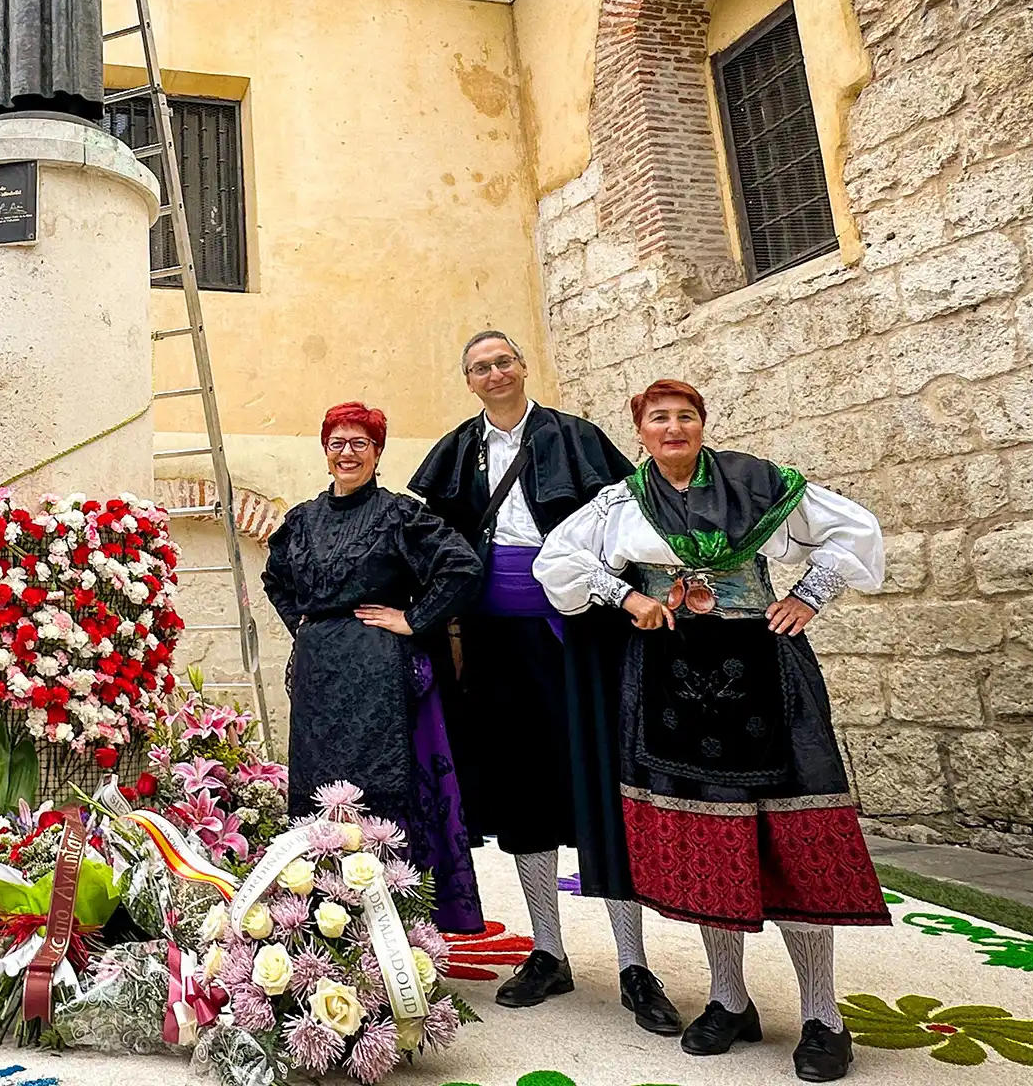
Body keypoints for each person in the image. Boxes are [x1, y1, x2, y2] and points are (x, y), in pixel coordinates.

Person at [534, 379, 888, 1083]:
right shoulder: (621, 501)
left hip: (766, 674)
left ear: (703, 424)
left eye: (685, 417)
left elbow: (856, 528)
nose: (673, 428)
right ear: (639, 430)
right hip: (671, 685)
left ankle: (824, 1018)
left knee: (795, 840)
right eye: (658, 418)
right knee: (708, 840)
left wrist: (808, 595)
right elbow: (559, 561)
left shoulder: (755, 484)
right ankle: (730, 1000)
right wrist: (626, 594)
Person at [409, 332, 679, 1034]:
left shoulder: (576, 437)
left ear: (522, 368)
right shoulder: (456, 450)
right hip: (492, 643)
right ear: (468, 381)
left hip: (579, 635)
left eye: (503, 361)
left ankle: (632, 963)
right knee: (524, 790)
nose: (494, 373)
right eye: (479, 366)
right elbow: (428, 541)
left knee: (602, 781)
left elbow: (632, 522)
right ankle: (549, 952)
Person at [262, 401, 485, 934]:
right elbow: (275, 578)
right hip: (320, 674)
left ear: (377, 452)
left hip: (382, 668)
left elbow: (462, 566)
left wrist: (414, 619)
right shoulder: (302, 520)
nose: (348, 453)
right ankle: (319, 920)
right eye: (338, 442)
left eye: (360, 443)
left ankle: (398, 926)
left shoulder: (399, 513)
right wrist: (308, 626)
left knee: (388, 791)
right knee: (319, 789)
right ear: (325, 450)